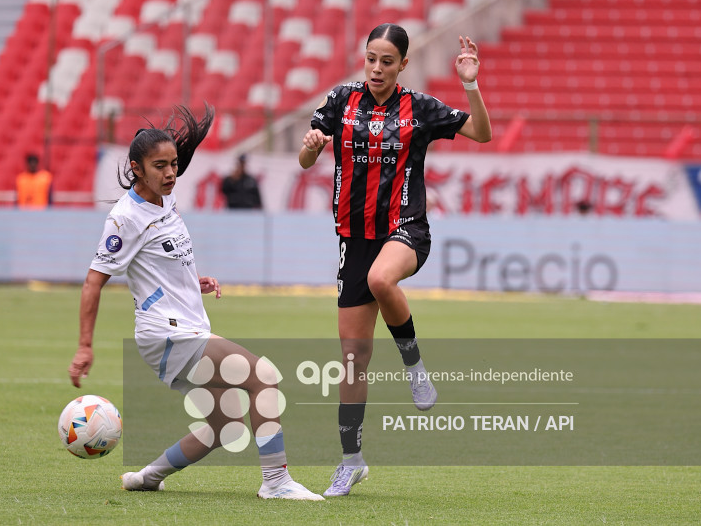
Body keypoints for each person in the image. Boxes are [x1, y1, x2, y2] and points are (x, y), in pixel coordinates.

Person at [69, 105, 323, 501]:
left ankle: (148, 477)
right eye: (159, 166)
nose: (170, 173)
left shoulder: (163, 200)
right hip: (167, 334)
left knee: (226, 425)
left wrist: (192, 281)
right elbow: (92, 281)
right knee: (263, 377)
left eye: (173, 164)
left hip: (183, 328)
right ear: (137, 168)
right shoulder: (125, 218)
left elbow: (161, 261)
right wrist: (85, 346)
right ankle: (276, 481)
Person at [299, 24, 492, 496]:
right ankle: (351, 462)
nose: (377, 68)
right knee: (352, 361)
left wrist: (470, 83)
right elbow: (307, 159)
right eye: (371, 58)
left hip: (405, 228)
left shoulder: (420, 108)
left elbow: (482, 134)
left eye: (387, 61)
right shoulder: (341, 101)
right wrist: (309, 149)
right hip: (353, 236)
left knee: (383, 279)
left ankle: (415, 367)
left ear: (403, 64)